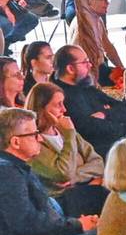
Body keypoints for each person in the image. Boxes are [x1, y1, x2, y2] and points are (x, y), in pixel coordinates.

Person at [0, 107, 100, 235]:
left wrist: (76, 223)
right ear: (15, 142)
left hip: (50, 234)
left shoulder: (15, 167)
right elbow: (26, 222)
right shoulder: (7, 172)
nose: (40, 139)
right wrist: (78, 225)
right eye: (34, 134)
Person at [25, 82, 108, 217]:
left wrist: (76, 177)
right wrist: (69, 136)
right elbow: (63, 174)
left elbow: (98, 162)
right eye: (58, 105)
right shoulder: (33, 141)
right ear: (41, 109)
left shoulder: (63, 129)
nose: (64, 109)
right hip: (64, 201)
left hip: (86, 188)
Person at [52, 45, 126, 157]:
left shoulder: (86, 87)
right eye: (84, 62)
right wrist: (119, 124)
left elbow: (124, 108)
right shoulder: (60, 96)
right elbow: (88, 129)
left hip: (118, 141)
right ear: (70, 69)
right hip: (96, 152)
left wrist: (105, 113)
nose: (90, 65)